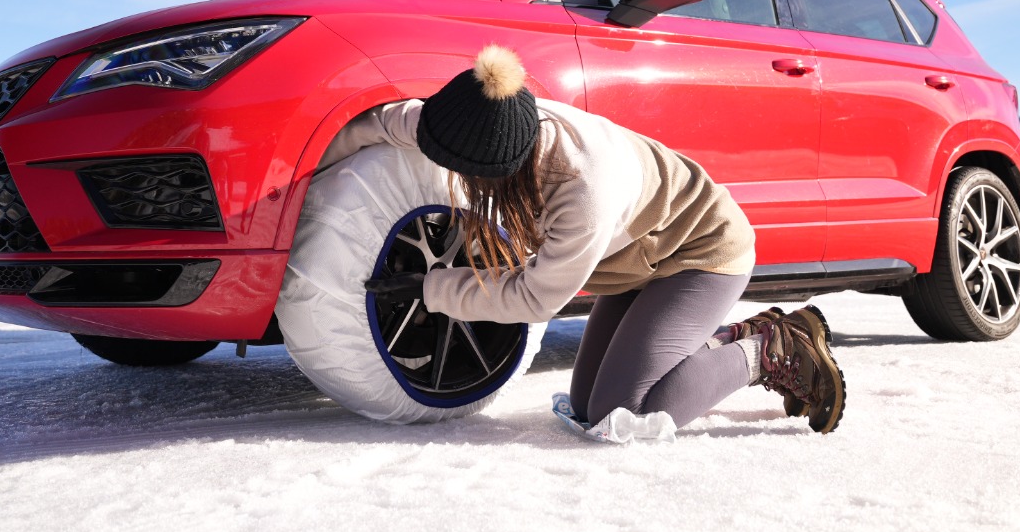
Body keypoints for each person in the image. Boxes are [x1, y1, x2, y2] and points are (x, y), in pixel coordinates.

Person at [329, 43, 846, 435]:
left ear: (501, 169)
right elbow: (385, 124)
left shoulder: (581, 187)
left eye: (466, 176)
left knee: (623, 414)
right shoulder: (471, 116)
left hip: (698, 255)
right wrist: (309, 172)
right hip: (633, 260)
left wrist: (434, 290)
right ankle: (714, 344)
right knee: (583, 408)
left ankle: (771, 349)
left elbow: (536, 296)